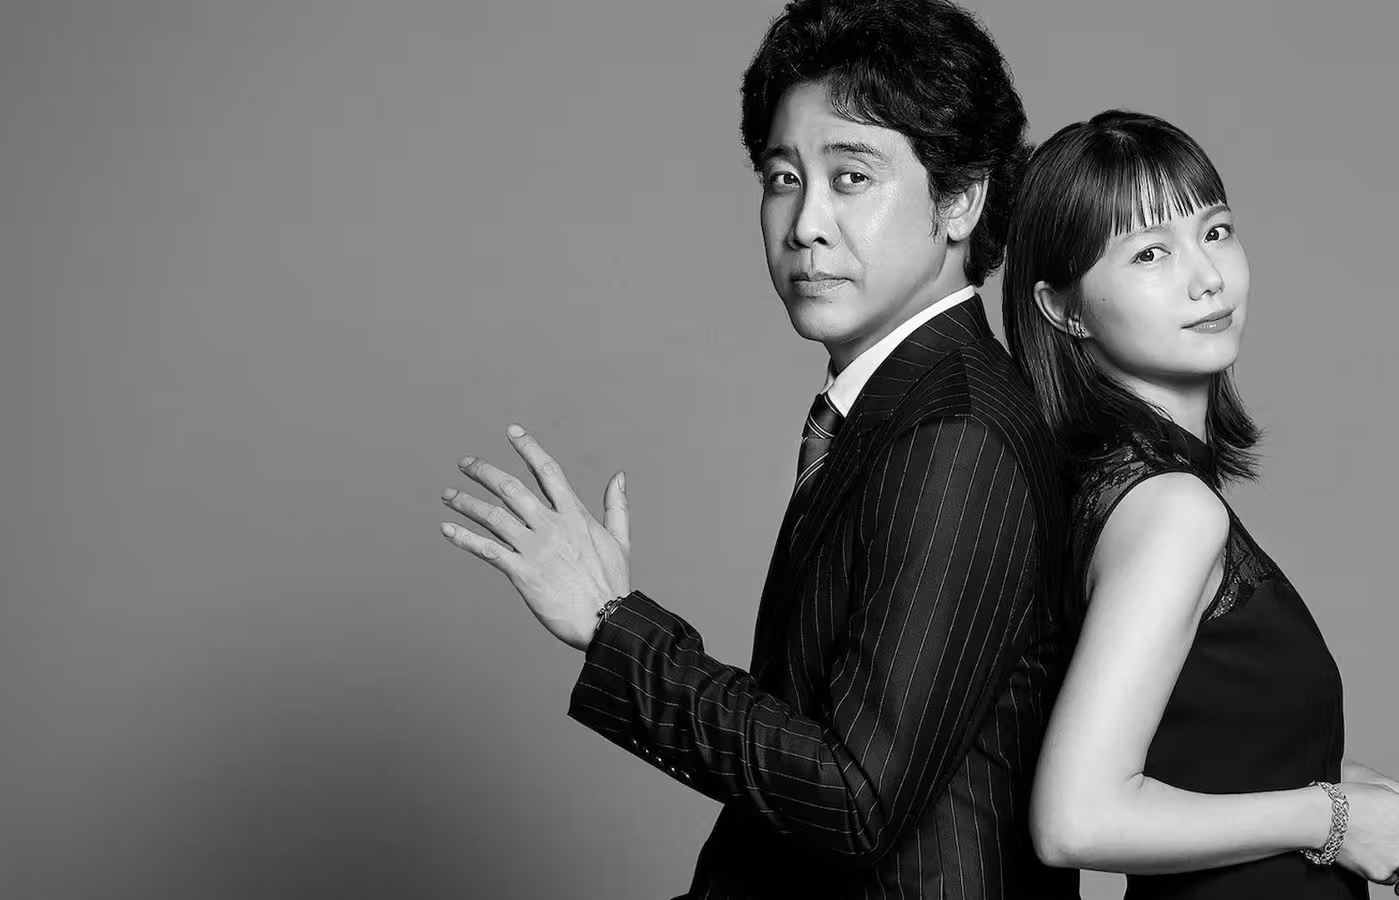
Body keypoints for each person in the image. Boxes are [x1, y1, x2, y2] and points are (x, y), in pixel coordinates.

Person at [436, 1, 1079, 896]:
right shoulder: (895, 407)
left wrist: (612, 623)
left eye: (851, 176)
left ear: (961, 199)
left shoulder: (956, 436)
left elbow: (855, 798)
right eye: (783, 177)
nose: (805, 222)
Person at [1001, 110, 1399, 899]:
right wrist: (1331, 817)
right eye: (1150, 253)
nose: (1207, 277)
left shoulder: (1112, 488)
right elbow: (1075, 819)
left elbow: (1185, 737)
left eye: (1215, 232)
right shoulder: (1172, 511)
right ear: (1063, 307)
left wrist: (1322, 774)